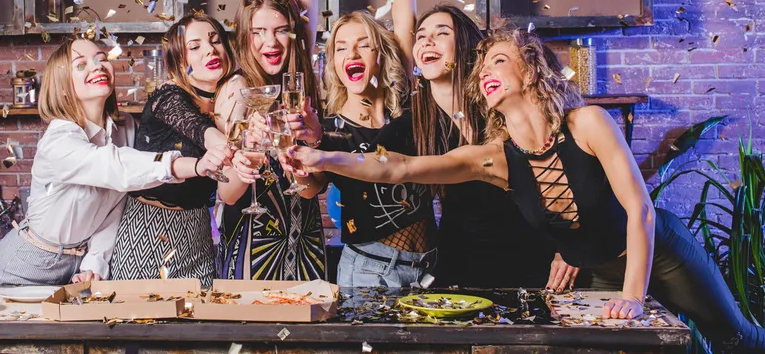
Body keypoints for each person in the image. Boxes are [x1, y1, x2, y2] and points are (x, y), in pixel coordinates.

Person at [284, 29, 765, 352]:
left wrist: (635, 295)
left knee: (735, 337)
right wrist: (323, 158)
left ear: (531, 70)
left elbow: (639, 207)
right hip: (597, 270)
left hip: (660, 252)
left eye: (499, 59)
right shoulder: (494, 157)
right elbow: (401, 168)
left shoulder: (587, 123)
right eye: (483, 67)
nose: (487, 71)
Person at [385, 0, 557, 290]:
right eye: (422, 35)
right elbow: (402, 24)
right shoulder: (419, 120)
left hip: (535, 259)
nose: (425, 41)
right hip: (461, 264)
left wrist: (569, 249)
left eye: (440, 33)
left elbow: (567, 174)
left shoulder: (499, 101)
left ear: (463, 47)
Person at [0, 38, 231, 286]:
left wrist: (94, 263)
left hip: (77, 266)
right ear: (62, 87)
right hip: (27, 264)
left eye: (101, 59)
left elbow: (115, 206)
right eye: (81, 65)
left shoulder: (124, 128)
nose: (97, 67)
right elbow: (116, 167)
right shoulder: (58, 141)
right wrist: (195, 165)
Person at [216, 0, 327, 281]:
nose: (270, 42)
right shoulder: (237, 88)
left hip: (307, 241)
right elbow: (226, 194)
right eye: (258, 33)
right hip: (252, 244)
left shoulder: (300, 83)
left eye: (280, 30)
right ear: (245, 37)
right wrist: (248, 157)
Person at [295, 11, 436, 287]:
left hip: (431, 267)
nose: (352, 54)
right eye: (341, 48)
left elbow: (407, 15)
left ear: (381, 54)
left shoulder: (406, 111)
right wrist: (297, 159)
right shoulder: (328, 129)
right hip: (370, 270)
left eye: (363, 44)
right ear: (334, 63)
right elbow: (309, 188)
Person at [110, 16, 236, 287]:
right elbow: (198, 129)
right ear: (180, 61)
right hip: (149, 231)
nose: (210, 50)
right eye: (195, 46)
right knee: (141, 323)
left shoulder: (228, 100)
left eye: (216, 41)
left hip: (198, 231)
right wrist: (230, 147)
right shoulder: (167, 97)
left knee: (200, 325)